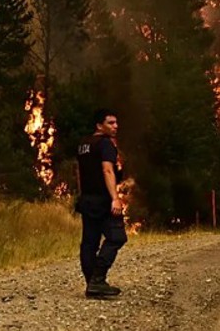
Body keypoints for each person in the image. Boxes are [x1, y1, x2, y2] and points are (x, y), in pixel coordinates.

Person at [76, 108, 128, 298]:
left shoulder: (83, 144)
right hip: (102, 200)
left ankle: (91, 284)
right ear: (99, 125)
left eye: (116, 122)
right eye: (110, 123)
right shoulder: (105, 144)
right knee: (117, 237)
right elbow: (107, 171)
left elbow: (80, 172)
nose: (116, 126)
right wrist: (115, 198)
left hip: (87, 199)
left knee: (89, 242)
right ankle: (97, 280)